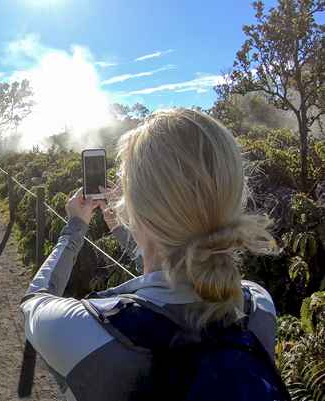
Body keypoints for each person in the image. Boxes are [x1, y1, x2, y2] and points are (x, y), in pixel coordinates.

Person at [20, 108, 288, 401]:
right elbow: (176, 280)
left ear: (135, 211)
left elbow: (34, 301)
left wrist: (75, 227)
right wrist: (128, 231)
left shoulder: (80, 332)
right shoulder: (258, 307)